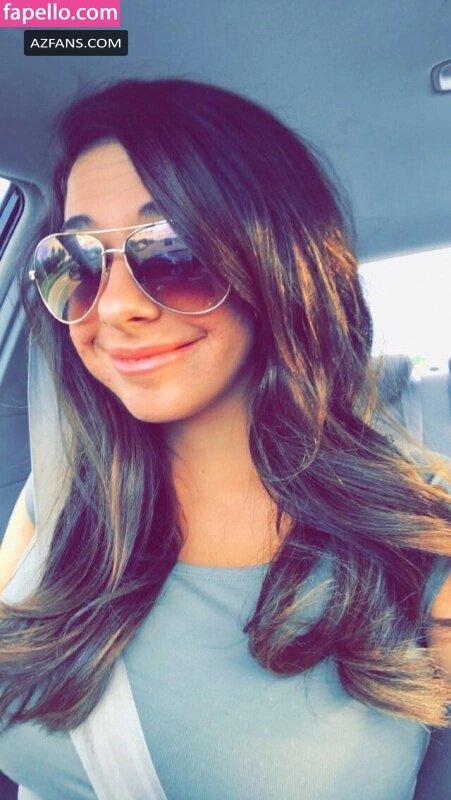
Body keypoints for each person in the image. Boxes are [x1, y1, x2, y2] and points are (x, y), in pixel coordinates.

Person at [0, 76, 450, 800]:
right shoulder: (55, 497)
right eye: (78, 261)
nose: (114, 308)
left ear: (277, 266)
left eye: (172, 251)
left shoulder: (416, 522)